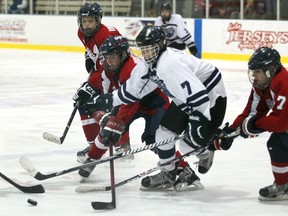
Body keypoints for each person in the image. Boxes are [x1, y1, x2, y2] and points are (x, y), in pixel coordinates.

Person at [84, 26, 227, 190]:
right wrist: (109, 100)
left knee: (189, 142)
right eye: (143, 50)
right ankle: (169, 173)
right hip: (185, 98)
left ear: (160, 46)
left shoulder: (169, 64)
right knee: (162, 135)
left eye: (149, 49)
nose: (146, 54)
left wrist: (202, 124)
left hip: (210, 96)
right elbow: (133, 90)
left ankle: (205, 152)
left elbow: (198, 94)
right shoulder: (149, 64)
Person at [221, 47, 288, 201]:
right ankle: (283, 185)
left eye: (257, 72)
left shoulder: (283, 82)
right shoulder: (262, 85)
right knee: (277, 143)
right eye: (252, 72)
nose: (254, 76)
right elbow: (251, 113)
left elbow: (280, 123)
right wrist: (230, 130)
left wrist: (255, 125)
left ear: (270, 70)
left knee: (279, 140)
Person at [73, 2, 128, 163]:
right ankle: (94, 143)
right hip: (104, 71)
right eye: (84, 21)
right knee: (83, 102)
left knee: (116, 106)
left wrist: (90, 85)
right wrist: (88, 56)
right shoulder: (81, 33)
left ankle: (123, 144)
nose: (87, 24)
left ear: (98, 21)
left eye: (91, 21)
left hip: (117, 73)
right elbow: (91, 49)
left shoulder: (105, 36)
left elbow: (111, 65)